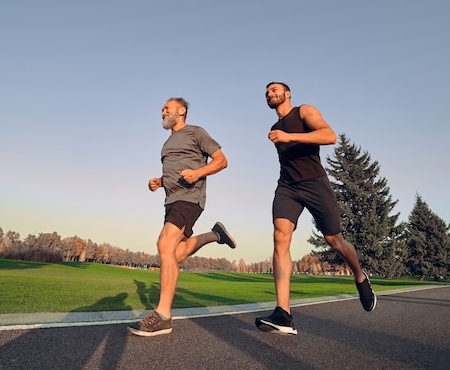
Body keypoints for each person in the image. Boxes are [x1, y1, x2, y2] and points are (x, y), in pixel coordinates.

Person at [255, 82, 376, 335]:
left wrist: (290, 136)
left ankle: (360, 277)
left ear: (287, 94)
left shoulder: (303, 112)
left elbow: (328, 135)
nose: (270, 94)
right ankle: (283, 314)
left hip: (315, 183)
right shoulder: (274, 127)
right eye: (267, 92)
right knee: (280, 236)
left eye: (274, 90)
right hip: (287, 186)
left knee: (335, 241)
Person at [127, 97, 236, 337]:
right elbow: (174, 171)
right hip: (171, 200)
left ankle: (163, 316)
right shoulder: (167, 144)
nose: (163, 111)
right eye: (162, 109)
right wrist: (160, 181)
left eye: (167, 108)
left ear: (182, 110)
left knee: (164, 243)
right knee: (174, 255)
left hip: (190, 198)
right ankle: (215, 234)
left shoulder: (196, 132)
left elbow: (222, 161)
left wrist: (198, 172)